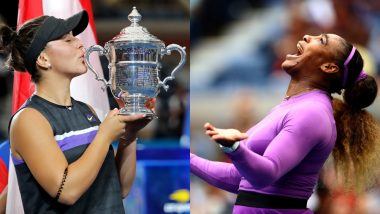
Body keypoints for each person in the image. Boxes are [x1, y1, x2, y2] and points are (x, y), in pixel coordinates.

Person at [190, 34, 380, 213]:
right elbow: (242, 178)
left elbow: (266, 174)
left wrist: (235, 148)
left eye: (321, 40)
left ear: (329, 67)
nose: (308, 36)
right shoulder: (294, 106)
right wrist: (188, 159)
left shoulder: (312, 112)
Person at [0, 10, 153, 213]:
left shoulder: (85, 110)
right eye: (67, 40)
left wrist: (129, 135)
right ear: (43, 59)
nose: (80, 44)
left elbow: (120, 188)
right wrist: (105, 136)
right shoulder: (28, 120)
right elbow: (67, 191)